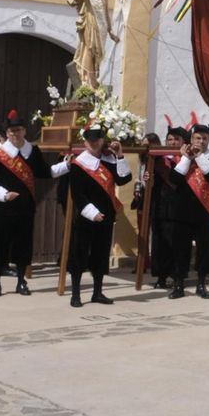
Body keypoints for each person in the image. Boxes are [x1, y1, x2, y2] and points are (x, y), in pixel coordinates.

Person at [53, 128, 134, 307]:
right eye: (90, 141)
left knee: (101, 254)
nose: (94, 143)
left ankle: (97, 292)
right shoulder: (79, 163)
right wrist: (92, 213)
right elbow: (78, 194)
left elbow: (124, 179)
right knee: (79, 254)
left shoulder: (109, 158)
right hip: (85, 216)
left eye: (97, 140)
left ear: (102, 140)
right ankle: (75, 294)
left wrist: (120, 155)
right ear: (85, 142)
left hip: (106, 215)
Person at [0, 111, 47, 298]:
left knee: (23, 245)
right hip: (1, 207)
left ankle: (21, 281)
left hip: (24, 207)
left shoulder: (33, 152)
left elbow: (44, 172)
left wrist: (67, 165)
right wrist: (4, 195)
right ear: (6, 133)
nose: (15, 134)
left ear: (24, 131)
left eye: (18, 130)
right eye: (11, 131)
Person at [163, 123, 209, 300]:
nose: (201, 141)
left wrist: (198, 156)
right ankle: (179, 284)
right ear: (191, 139)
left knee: (205, 250)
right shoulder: (181, 158)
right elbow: (174, 178)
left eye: (204, 139)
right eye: (198, 138)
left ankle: (202, 283)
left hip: (203, 211)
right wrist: (187, 158)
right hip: (181, 212)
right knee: (181, 249)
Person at [148, 129, 188, 290]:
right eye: (169, 139)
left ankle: (177, 276)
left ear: (183, 142)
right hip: (159, 206)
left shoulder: (187, 160)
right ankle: (161, 276)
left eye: (175, 139)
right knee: (159, 243)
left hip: (178, 208)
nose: (171, 142)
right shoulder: (158, 159)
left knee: (177, 244)